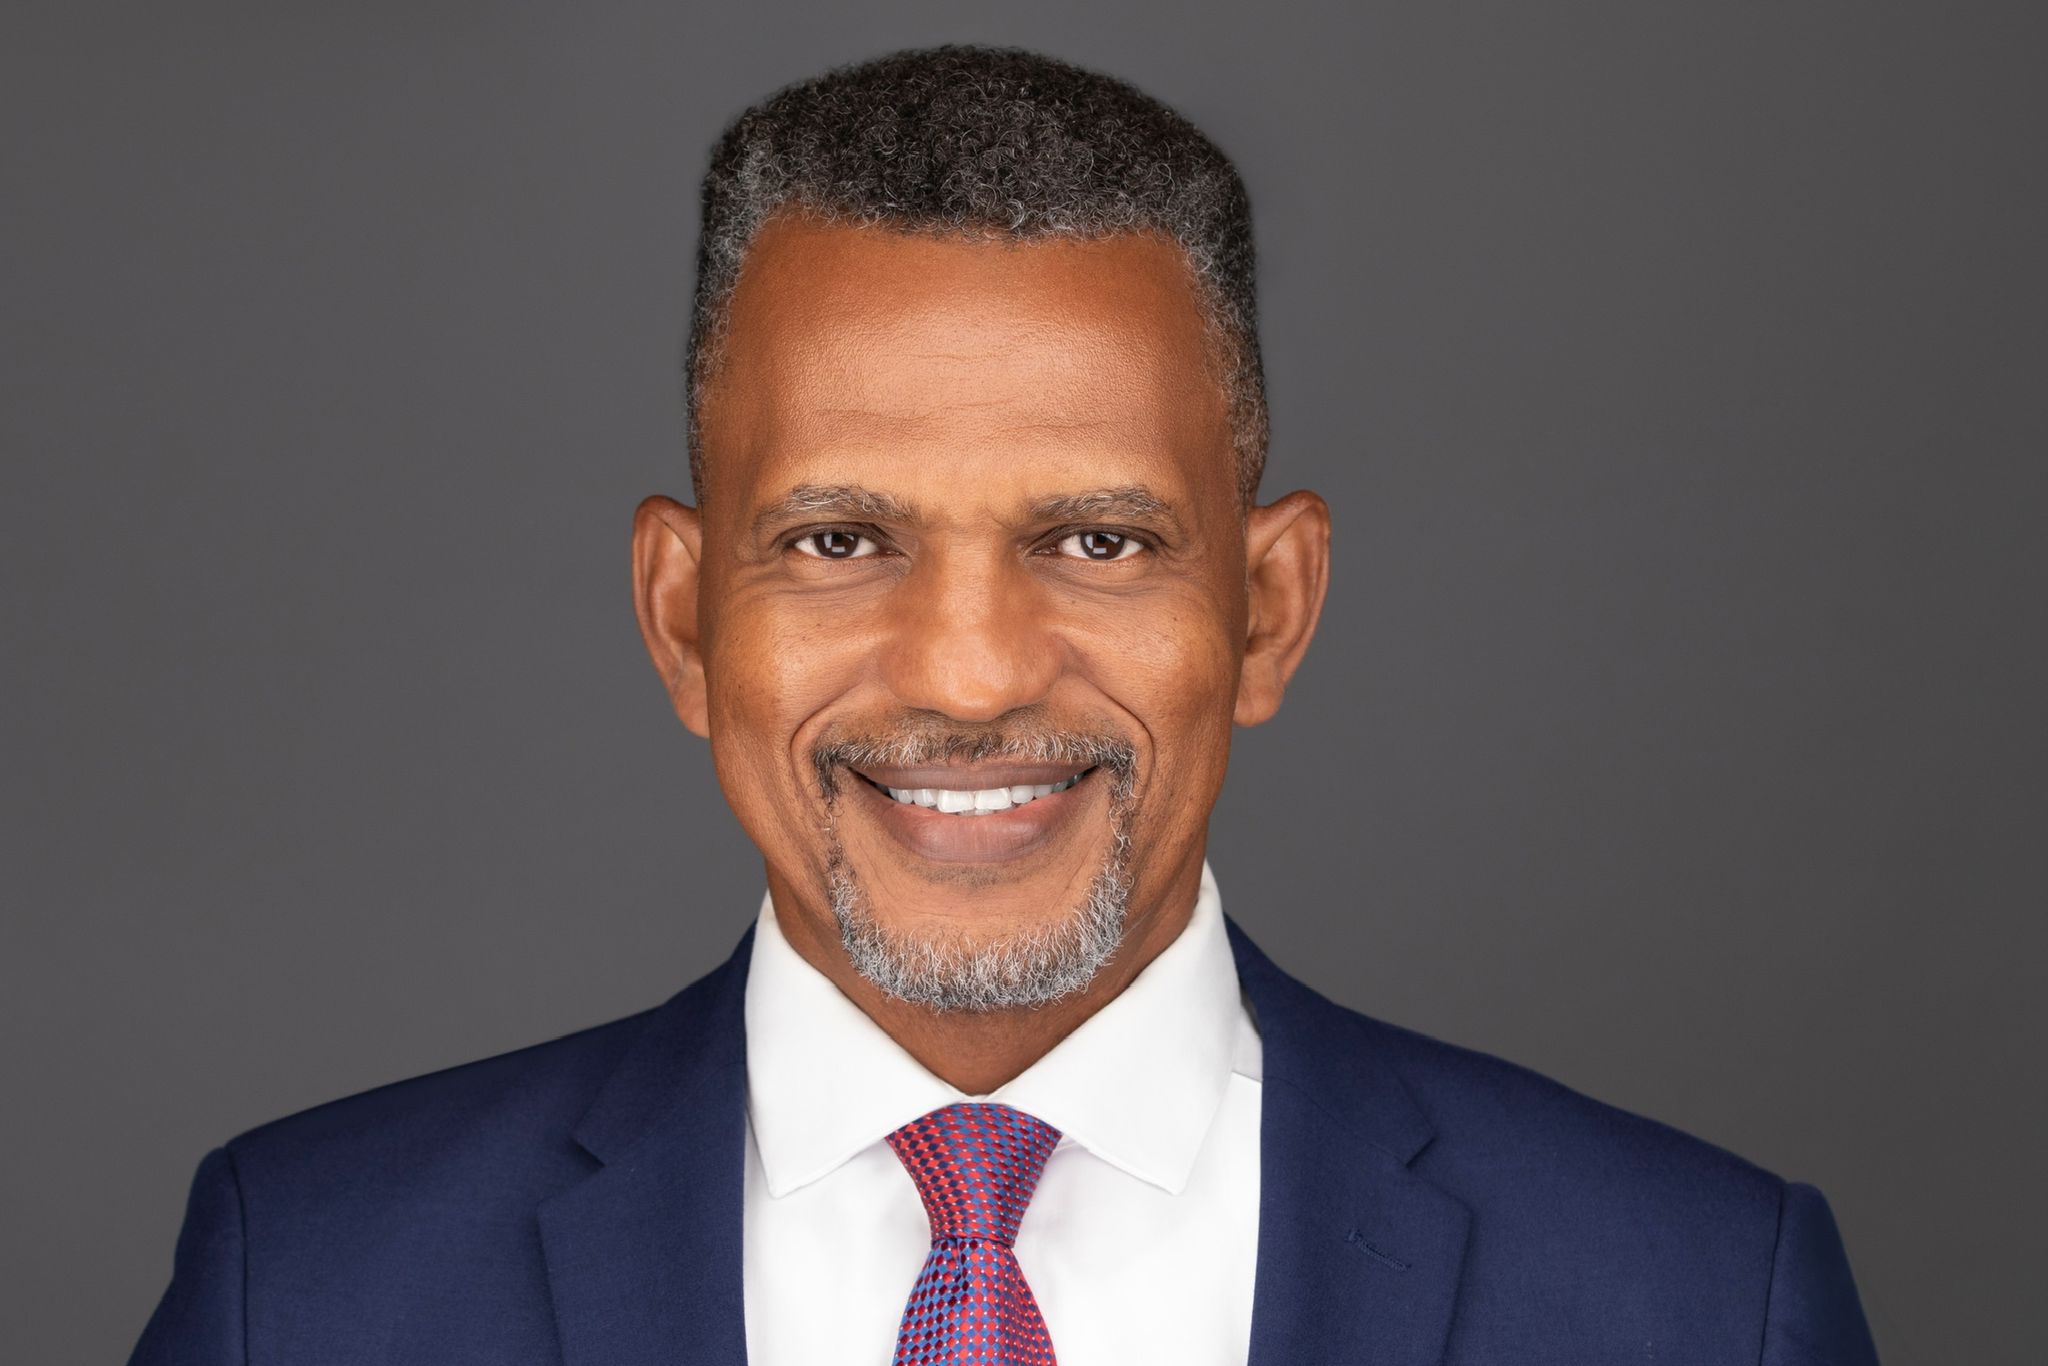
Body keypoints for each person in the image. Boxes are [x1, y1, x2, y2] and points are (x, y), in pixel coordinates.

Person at [130, 45, 1879, 1366]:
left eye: (1098, 538)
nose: (970, 669)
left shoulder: (1703, 1300)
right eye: (838, 538)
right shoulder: (306, 1282)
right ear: (683, 621)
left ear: (1266, 610)